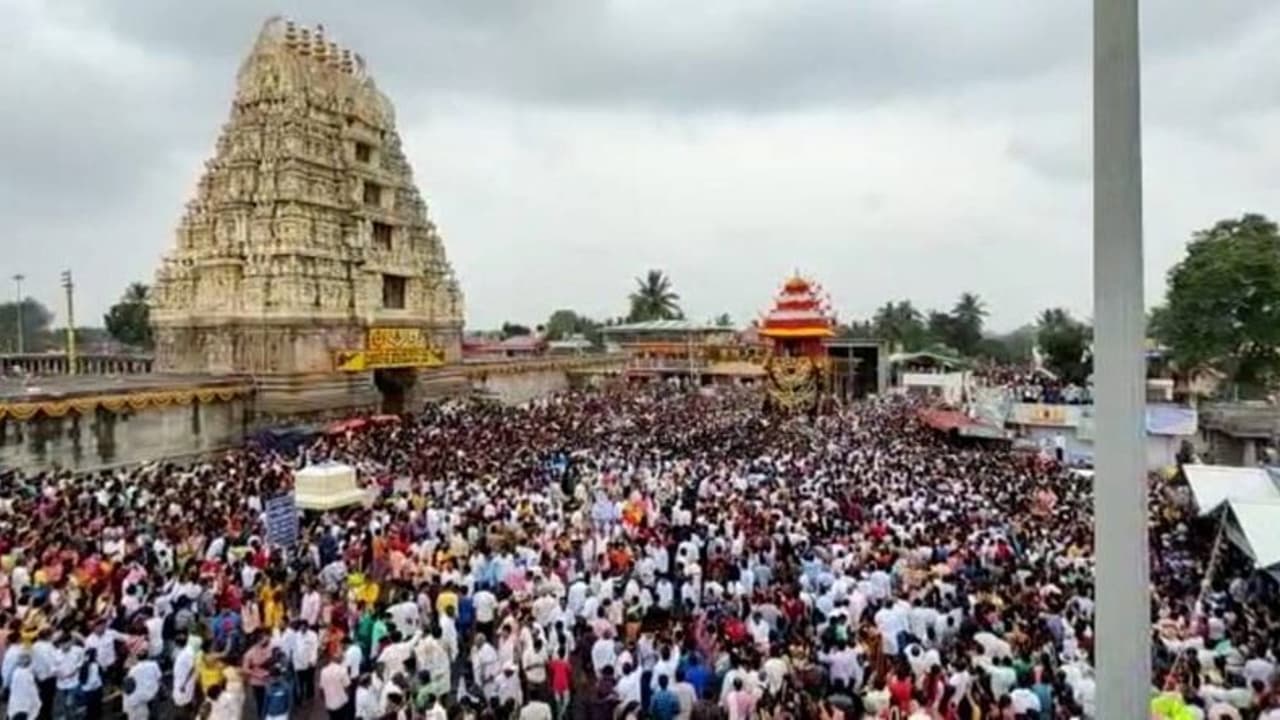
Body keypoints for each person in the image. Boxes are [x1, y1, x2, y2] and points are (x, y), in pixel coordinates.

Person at [319, 652, 352, 720]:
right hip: (341, 703)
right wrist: (347, 698)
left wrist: (325, 700)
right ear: (340, 660)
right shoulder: (342, 670)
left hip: (329, 704)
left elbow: (321, 690)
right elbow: (347, 687)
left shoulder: (323, 671)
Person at [8, 653, 41, 720]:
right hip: (24, 707)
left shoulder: (16, 672)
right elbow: (32, 692)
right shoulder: (26, 674)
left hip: (16, 707)